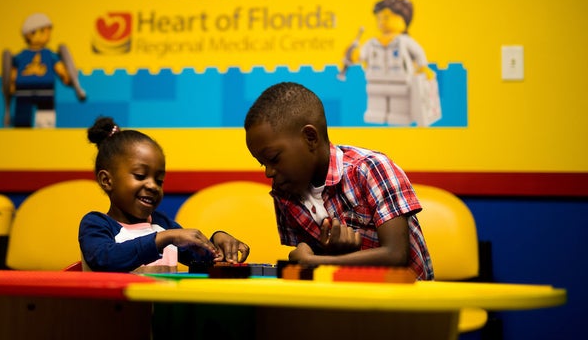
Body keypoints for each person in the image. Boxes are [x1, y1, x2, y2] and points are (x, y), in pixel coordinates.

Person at [244, 82, 434, 280]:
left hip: (405, 303)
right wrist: (323, 255)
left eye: (274, 158)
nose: (269, 172)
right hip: (341, 300)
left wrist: (316, 263)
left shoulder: (370, 169)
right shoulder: (284, 193)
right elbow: (307, 258)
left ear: (310, 138)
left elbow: (396, 255)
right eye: (262, 163)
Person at [79, 116, 250, 272]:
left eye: (159, 181)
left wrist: (217, 243)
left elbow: (200, 258)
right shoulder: (96, 224)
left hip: (163, 306)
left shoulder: (162, 224)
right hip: (114, 307)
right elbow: (104, 259)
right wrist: (164, 238)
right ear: (107, 180)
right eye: (140, 176)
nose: (153, 186)